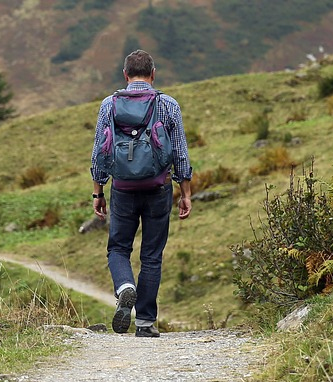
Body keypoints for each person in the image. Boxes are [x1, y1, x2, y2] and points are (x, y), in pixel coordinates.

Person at [90, 50, 192, 337]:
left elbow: (100, 151)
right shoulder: (168, 105)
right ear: (153, 74)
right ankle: (145, 322)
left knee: (118, 248)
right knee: (152, 255)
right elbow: (181, 153)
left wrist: (98, 191)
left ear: (125, 75)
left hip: (122, 188)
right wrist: (185, 192)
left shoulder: (109, 104)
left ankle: (125, 287)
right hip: (158, 188)